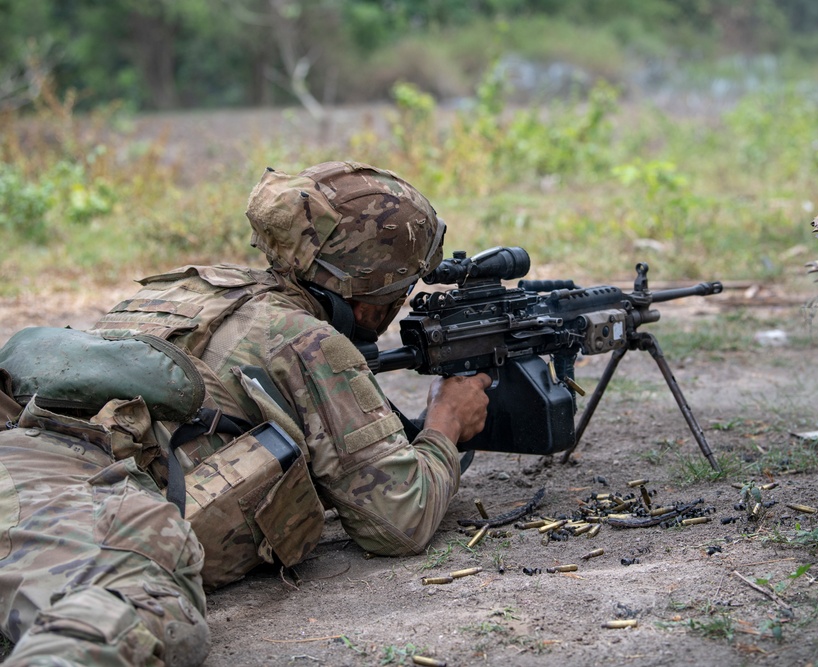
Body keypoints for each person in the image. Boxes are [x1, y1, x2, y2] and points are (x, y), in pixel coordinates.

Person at [0, 161, 491, 666]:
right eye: (399, 292)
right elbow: (398, 518)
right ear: (369, 299)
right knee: (139, 615)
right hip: (71, 498)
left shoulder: (184, 291)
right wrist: (444, 425)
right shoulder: (306, 340)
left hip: (20, 454)